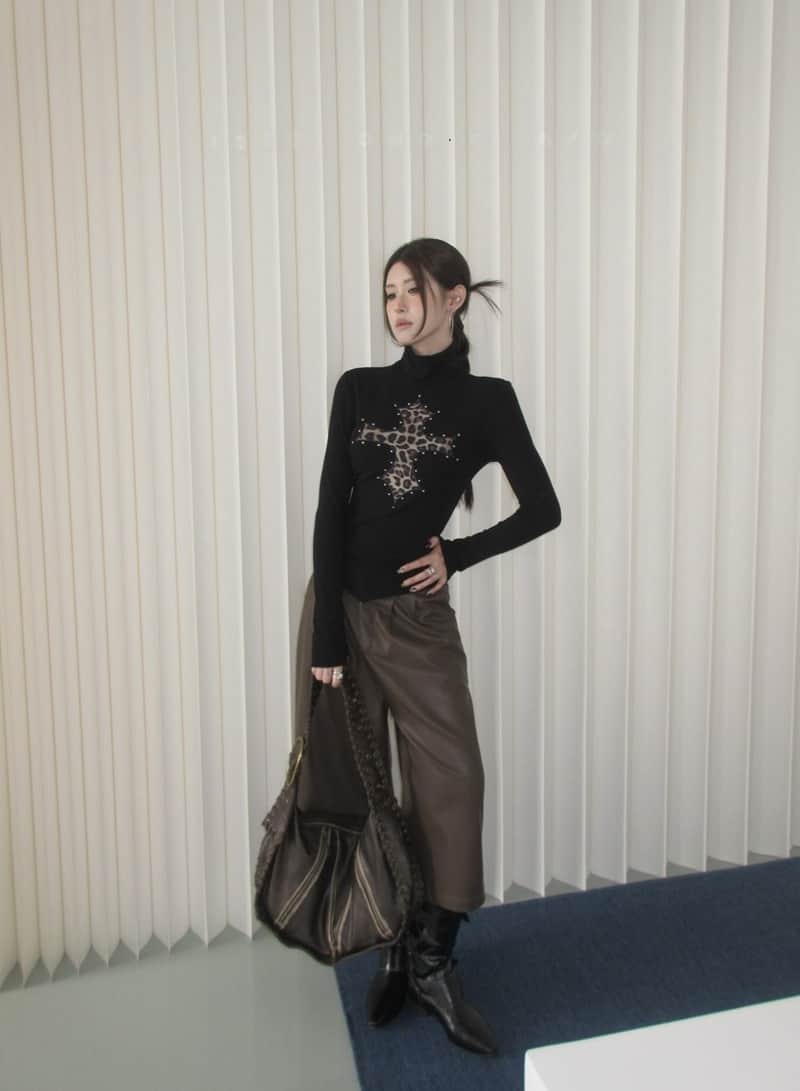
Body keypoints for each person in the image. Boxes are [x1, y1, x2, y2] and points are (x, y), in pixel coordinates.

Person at [299, 237, 561, 1056]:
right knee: (369, 789)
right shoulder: (359, 387)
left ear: (454, 297)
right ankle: (391, 943)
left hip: (418, 624)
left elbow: (543, 507)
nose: (399, 307)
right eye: (389, 294)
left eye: (413, 291)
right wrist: (328, 635)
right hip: (342, 613)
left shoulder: (488, 401)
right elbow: (330, 511)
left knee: (454, 779)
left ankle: (434, 957)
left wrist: (457, 554)